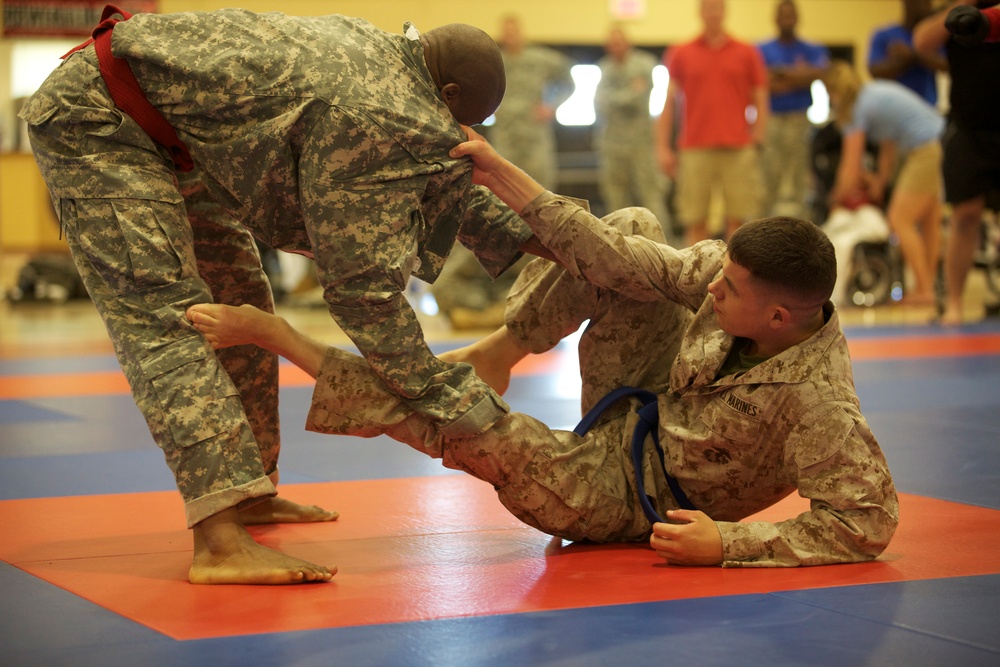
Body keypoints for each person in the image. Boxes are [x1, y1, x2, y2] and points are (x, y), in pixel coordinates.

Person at [188, 127, 899, 568]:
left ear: (778, 316)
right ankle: (506, 344)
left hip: (636, 493)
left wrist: (731, 544)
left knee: (481, 431)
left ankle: (287, 340)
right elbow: (618, 258)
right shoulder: (728, 278)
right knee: (634, 226)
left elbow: (866, 522)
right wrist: (501, 174)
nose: (714, 287)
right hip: (647, 395)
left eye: (732, 289)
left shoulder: (820, 404)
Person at [19, 7, 550, 585]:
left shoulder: (399, 69)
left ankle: (251, 493)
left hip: (171, 132)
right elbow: (362, 291)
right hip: (96, 117)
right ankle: (219, 542)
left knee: (243, 299)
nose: (455, 137)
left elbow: (452, 189)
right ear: (444, 93)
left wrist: (572, 243)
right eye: (461, 122)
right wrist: (437, 392)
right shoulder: (370, 108)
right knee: (174, 321)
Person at [823, 60, 945, 307]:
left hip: (926, 149)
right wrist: (879, 181)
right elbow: (888, 145)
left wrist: (835, 197)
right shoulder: (871, 96)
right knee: (929, 221)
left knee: (900, 220)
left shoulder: (855, 108)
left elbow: (851, 165)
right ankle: (928, 286)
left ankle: (924, 289)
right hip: (941, 143)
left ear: (835, 93)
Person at [656, 0, 769, 246]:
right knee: (695, 218)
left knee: (738, 220)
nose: (713, 12)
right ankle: (695, 280)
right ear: (700, 12)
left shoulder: (746, 51)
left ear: (724, 11)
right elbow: (669, 100)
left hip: (738, 146)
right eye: (708, 7)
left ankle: (735, 278)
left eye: (718, 7)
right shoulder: (681, 52)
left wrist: (758, 135)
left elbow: (761, 95)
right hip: (695, 146)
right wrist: (663, 147)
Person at [915, 1, 1000, 325]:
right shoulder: (958, 13)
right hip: (967, 126)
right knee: (965, 214)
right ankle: (953, 304)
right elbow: (922, 42)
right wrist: (963, 6)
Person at [594, 25, 670, 234]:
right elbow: (599, 103)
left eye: (620, 42)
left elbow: (639, 97)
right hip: (612, 146)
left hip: (641, 145)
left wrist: (615, 97)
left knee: (651, 196)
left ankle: (664, 248)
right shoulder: (604, 68)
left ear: (628, 43)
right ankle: (620, 249)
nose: (616, 47)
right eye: (612, 43)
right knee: (616, 201)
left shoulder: (643, 64)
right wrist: (627, 93)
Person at [757, 0, 829, 219]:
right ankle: (762, 228)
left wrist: (780, 74)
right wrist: (797, 76)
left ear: (797, 18)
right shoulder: (761, 49)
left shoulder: (812, 48)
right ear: (775, 18)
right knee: (768, 177)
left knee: (799, 177)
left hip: (800, 120)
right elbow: (762, 82)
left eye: (791, 14)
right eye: (783, 14)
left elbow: (819, 73)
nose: (787, 19)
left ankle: (801, 231)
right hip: (771, 120)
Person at [868, 0, 947, 105]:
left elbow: (948, 65)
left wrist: (913, 56)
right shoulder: (884, 35)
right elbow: (875, 70)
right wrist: (903, 61)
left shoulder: (934, 37)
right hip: (893, 108)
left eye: (928, 2)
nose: (926, 6)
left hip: (928, 108)